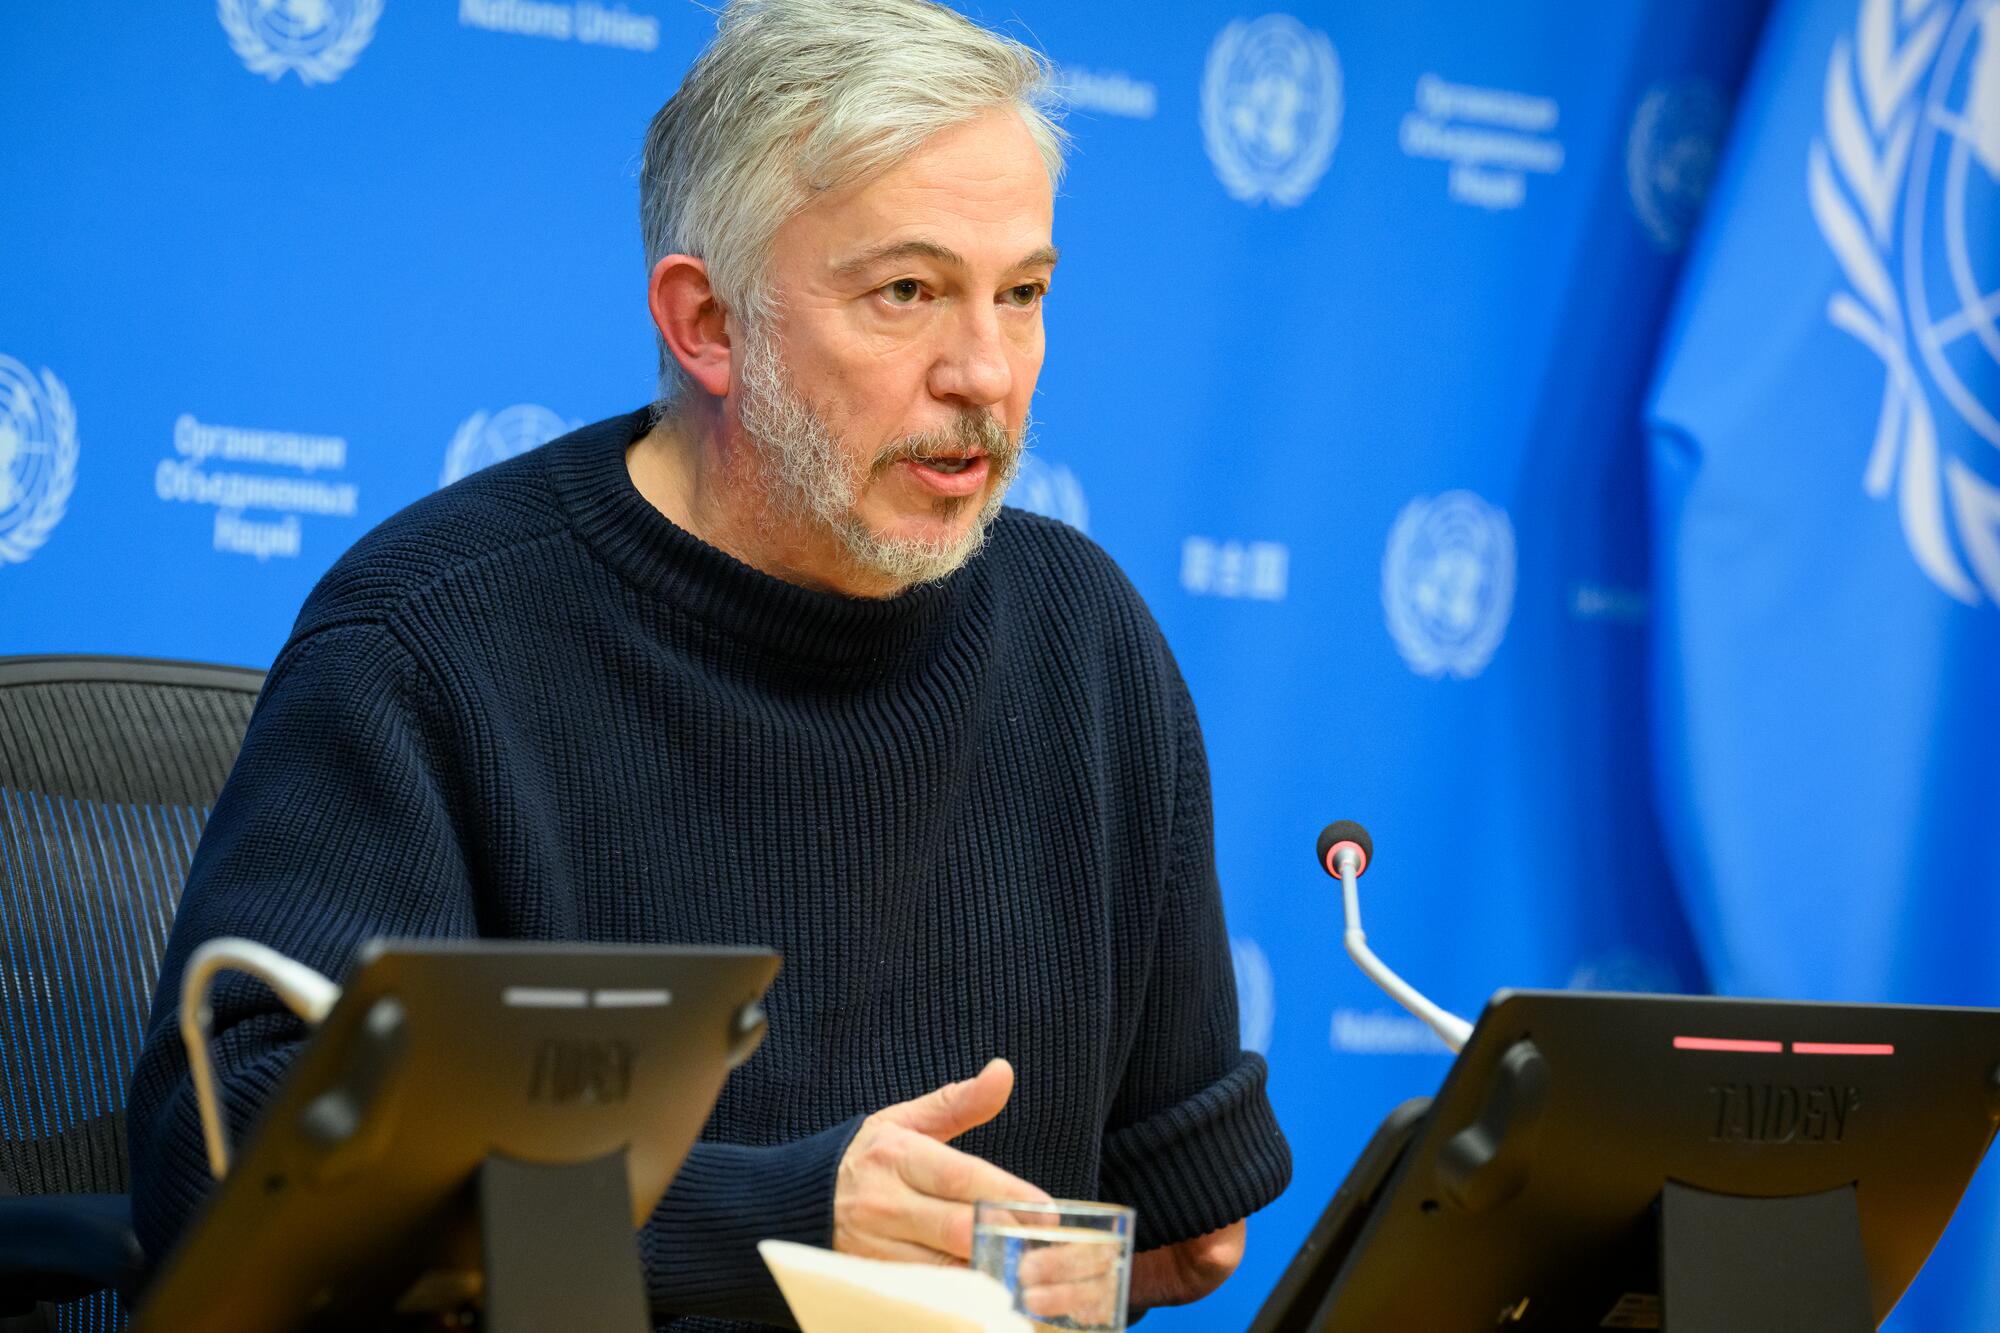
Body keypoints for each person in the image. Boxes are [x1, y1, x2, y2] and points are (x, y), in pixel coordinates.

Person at [127, 1, 1292, 1327]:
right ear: (708, 323)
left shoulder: (1086, 638)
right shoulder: (431, 640)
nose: (984, 371)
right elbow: (224, 1189)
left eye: (1021, 293)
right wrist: (780, 1223)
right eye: (907, 292)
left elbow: (1187, 1228)